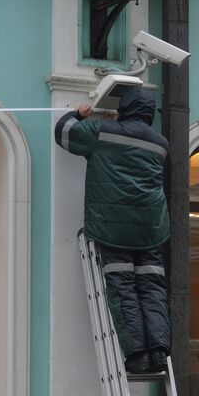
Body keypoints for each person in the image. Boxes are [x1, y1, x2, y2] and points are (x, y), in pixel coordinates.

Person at [55, 87, 171, 373]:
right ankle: (158, 350)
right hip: (150, 229)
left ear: (125, 108)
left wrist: (78, 114)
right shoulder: (160, 143)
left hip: (113, 227)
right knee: (151, 287)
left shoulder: (101, 131)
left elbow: (65, 133)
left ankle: (137, 354)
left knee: (123, 287)